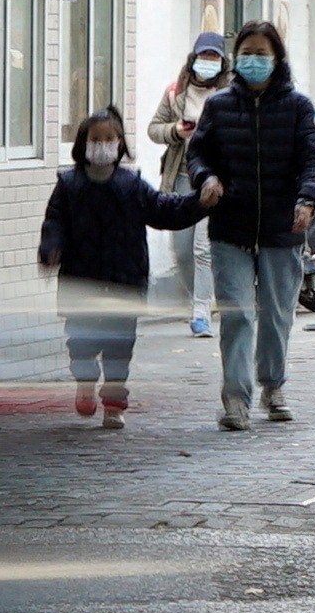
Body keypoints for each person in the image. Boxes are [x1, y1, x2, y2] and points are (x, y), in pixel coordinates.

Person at [182, 19, 315, 430]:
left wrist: (308, 199)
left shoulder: (297, 107)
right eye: (246, 53)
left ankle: (273, 385)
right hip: (231, 225)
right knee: (238, 314)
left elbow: (314, 161)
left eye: (262, 54)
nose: (253, 61)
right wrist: (205, 178)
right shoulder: (219, 106)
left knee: (278, 313)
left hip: (283, 227)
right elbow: (198, 155)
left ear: (277, 58)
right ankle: (235, 398)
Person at [37, 106, 210, 427]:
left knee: (119, 346)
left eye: (109, 139)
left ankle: (114, 404)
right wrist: (51, 248)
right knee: (81, 342)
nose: (102, 145)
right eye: (95, 138)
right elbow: (55, 221)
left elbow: (165, 210)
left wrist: (199, 203)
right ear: (83, 144)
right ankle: (85, 382)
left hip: (124, 281)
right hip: (81, 281)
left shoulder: (132, 187)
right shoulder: (69, 185)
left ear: (120, 144)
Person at [149, 31, 231, 337]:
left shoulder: (230, 94)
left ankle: (201, 312)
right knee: (181, 249)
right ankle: (195, 300)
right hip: (182, 176)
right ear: (193, 59)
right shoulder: (175, 93)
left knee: (202, 248)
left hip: (214, 179)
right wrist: (176, 131)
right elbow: (153, 129)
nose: (207, 63)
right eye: (203, 57)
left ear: (223, 63)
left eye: (214, 58)